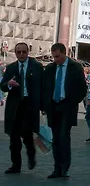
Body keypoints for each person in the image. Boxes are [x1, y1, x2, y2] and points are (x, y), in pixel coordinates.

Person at [42, 42, 88, 179]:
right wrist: (45, 105)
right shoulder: (50, 68)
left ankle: (64, 169)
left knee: (64, 137)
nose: (56, 59)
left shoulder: (75, 67)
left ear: (64, 53)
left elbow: (82, 88)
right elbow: (45, 87)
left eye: (58, 56)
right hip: (53, 107)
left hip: (67, 107)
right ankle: (56, 168)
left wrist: (73, 101)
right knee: (55, 139)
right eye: (54, 57)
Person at [0, 42, 43, 174]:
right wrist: (9, 84)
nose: (21, 54)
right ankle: (16, 165)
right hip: (14, 105)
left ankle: (31, 155)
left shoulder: (36, 66)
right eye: (19, 52)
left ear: (28, 52)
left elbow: (43, 86)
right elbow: (3, 86)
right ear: (15, 53)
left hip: (29, 104)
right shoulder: (11, 68)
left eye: (24, 52)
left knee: (26, 133)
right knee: (13, 137)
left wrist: (43, 105)